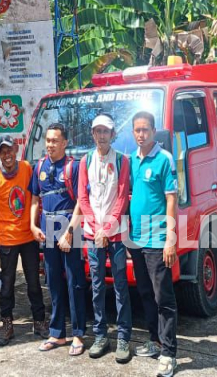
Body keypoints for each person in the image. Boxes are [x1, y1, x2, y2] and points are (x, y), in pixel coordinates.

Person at [64, 114, 132, 363]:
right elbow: (82, 198)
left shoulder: (123, 161)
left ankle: (124, 337)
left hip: (114, 233)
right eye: (97, 131)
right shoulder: (86, 161)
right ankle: (101, 335)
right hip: (94, 235)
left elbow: (123, 197)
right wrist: (96, 226)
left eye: (106, 131)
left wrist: (108, 227)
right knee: (96, 286)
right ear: (92, 134)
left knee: (121, 286)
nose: (102, 136)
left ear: (112, 134)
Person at [29, 122, 86, 356]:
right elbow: (35, 198)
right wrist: (32, 225)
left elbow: (82, 202)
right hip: (47, 226)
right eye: (48, 140)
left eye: (55, 140)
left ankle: (78, 335)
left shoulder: (74, 167)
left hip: (69, 226)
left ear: (64, 143)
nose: (50, 144)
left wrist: (69, 233)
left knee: (74, 282)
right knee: (53, 281)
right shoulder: (40, 166)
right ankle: (57, 333)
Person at [129, 111, 179, 377]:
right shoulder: (132, 160)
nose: (141, 134)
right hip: (137, 239)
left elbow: (171, 199)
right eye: (137, 130)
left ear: (154, 131)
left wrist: (170, 239)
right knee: (145, 293)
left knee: (164, 297)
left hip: (158, 239)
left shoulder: (164, 159)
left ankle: (169, 353)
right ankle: (155, 340)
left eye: (145, 130)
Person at [0, 136, 49, 346]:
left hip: (28, 237)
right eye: (2, 152)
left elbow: (34, 196)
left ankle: (39, 321)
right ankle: (7, 324)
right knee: (7, 285)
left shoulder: (27, 169)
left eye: (10, 150)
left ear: (16, 149)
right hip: (7, 239)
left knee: (33, 283)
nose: (7, 155)